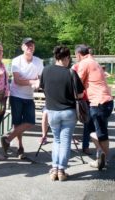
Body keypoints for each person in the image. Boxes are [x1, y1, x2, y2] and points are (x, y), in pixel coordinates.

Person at [40, 45, 84, 181]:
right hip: (68, 112)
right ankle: (61, 170)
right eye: (68, 59)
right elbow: (81, 93)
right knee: (65, 141)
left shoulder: (46, 71)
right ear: (65, 58)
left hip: (52, 112)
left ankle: (54, 169)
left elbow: (42, 87)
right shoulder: (70, 73)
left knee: (56, 140)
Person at [1, 37, 43, 159]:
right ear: (22, 47)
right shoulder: (16, 61)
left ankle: (7, 139)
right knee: (17, 123)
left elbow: (41, 78)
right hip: (16, 95)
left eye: (32, 45)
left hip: (29, 96)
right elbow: (18, 80)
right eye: (27, 45)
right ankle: (20, 148)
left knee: (30, 121)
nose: (30, 47)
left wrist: (38, 83)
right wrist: (32, 82)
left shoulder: (38, 61)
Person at [75, 44, 113, 171]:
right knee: (92, 130)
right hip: (103, 101)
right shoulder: (94, 62)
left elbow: (77, 83)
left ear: (78, 54)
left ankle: (105, 159)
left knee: (101, 134)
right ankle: (100, 154)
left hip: (98, 103)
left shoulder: (84, 63)